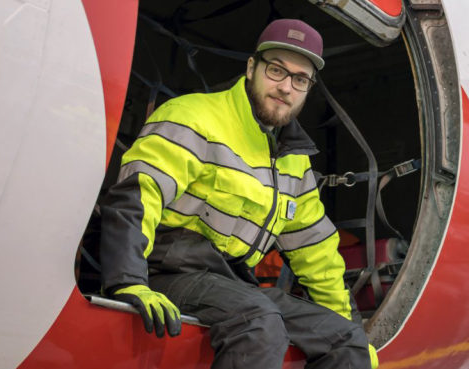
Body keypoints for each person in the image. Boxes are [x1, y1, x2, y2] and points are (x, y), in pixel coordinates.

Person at [98, 19, 378, 369]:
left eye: (300, 79)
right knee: (259, 322)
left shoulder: (295, 163)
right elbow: (139, 194)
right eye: (276, 70)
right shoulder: (194, 117)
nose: (286, 87)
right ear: (251, 68)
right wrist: (128, 280)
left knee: (348, 343)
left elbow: (316, 254)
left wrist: (352, 330)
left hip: (231, 283)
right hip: (168, 270)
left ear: (308, 88)